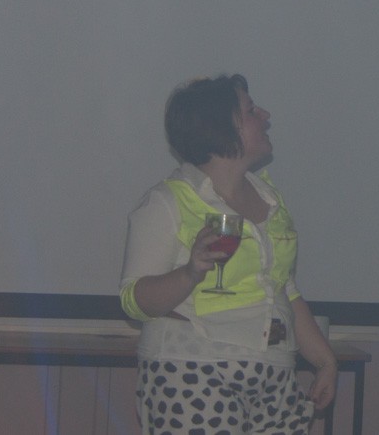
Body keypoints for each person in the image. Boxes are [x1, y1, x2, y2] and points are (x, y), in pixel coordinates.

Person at [119, 74, 337, 434]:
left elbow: (282, 290)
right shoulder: (167, 201)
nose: (265, 115)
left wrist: (324, 361)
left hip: (275, 375)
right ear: (219, 128)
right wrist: (190, 273)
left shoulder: (270, 200)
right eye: (251, 110)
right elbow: (133, 299)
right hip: (193, 370)